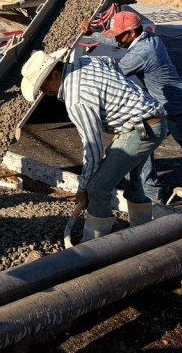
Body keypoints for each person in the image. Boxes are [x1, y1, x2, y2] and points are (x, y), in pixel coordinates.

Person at [21, 48, 167, 239]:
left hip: (141, 129)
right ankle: (144, 233)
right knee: (130, 179)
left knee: (98, 187)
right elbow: (110, 62)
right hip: (151, 120)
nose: (43, 91)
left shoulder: (77, 99)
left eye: (43, 86)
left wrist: (83, 188)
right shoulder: (86, 62)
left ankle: (94, 245)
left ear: (55, 75)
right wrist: (122, 100)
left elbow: (93, 148)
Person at [87, 10, 182, 202]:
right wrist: (93, 33)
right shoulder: (151, 38)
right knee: (142, 146)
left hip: (181, 110)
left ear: (132, 33)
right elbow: (116, 41)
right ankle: (152, 195)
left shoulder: (142, 53)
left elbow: (113, 75)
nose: (118, 41)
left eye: (120, 35)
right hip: (165, 107)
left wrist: (83, 69)